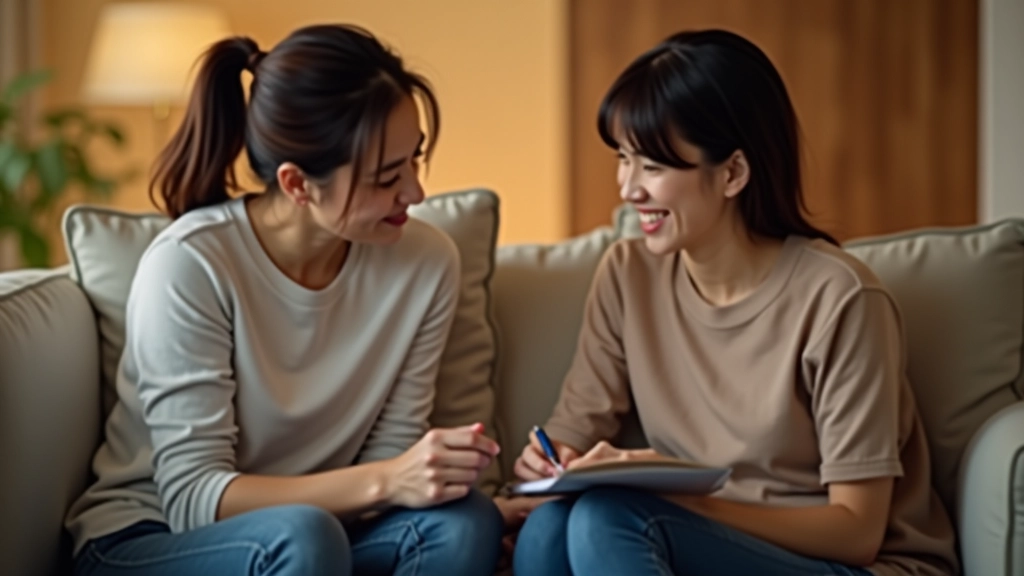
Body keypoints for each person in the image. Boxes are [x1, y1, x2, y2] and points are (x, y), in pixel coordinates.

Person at [512, 29, 958, 576]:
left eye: (652, 166)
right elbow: (572, 431)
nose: (628, 188)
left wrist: (683, 500)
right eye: (623, 158)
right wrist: (550, 458)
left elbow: (857, 530)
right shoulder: (628, 276)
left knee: (609, 521)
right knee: (548, 529)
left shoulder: (839, 297)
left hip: (851, 564)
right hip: (705, 544)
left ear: (733, 173)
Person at [65, 24, 504, 576]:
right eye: (387, 176)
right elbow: (193, 499)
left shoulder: (426, 262)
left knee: (467, 521)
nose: (415, 193)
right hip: (147, 540)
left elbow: (387, 459)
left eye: (414, 160)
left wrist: (417, 482)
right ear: (298, 184)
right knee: (302, 535)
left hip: (321, 537)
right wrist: (393, 480)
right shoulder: (191, 264)